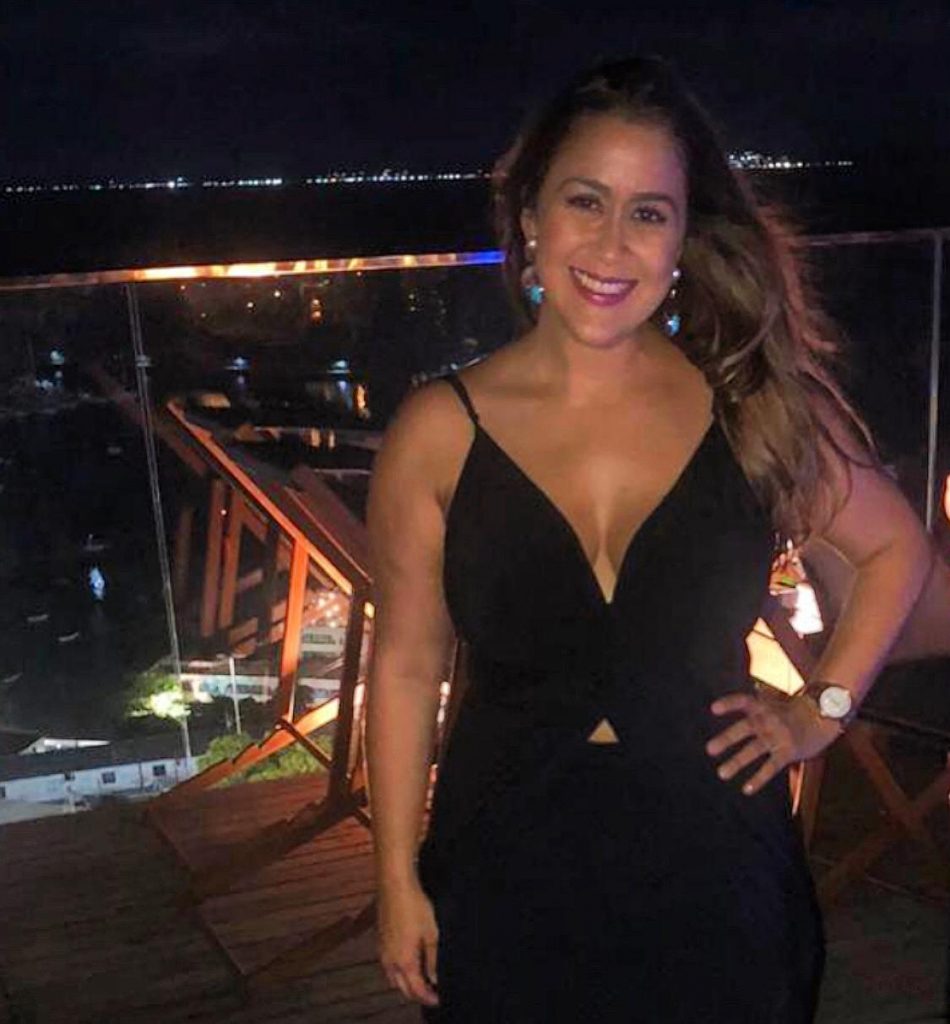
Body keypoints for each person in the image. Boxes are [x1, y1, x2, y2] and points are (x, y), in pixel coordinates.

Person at [364, 56, 934, 1022]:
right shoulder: (438, 432)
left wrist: (819, 712)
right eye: (585, 201)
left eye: (649, 212)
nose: (612, 244)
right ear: (531, 218)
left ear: (682, 239)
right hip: (505, 861)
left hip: (714, 862)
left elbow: (896, 550)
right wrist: (394, 879)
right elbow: (409, 666)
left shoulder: (747, 405)